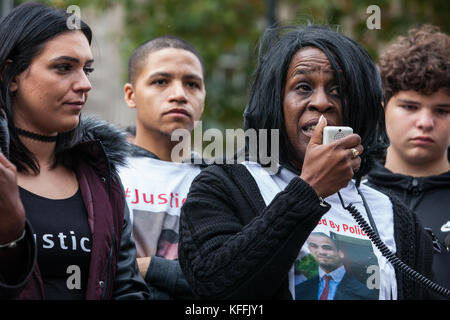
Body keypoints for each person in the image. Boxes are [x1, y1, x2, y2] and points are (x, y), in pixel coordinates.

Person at [178, 24, 435, 300]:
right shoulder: (223, 187)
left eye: (338, 90)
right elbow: (215, 289)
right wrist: (308, 191)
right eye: (303, 87)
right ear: (275, 102)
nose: (322, 102)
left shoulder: (396, 217)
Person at [0, 3, 149, 299]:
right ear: (11, 74)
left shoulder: (100, 176)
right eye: (64, 68)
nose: (84, 84)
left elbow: (127, 288)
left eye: (87, 69)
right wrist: (11, 240)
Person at [118, 36, 206, 299]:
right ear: (131, 95)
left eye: (192, 84)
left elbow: (229, 278)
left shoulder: (221, 182)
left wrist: (148, 267)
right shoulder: (100, 173)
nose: (179, 94)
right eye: (160, 81)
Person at [365, 25, 450, 295]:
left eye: (442, 110)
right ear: (383, 108)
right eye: (410, 107)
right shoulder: (348, 194)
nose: (425, 122)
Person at [295, 232, 377, 300]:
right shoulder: (299, 289)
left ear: (341, 253)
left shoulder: (365, 292)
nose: (320, 252)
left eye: (327, 247)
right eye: (314, 246)